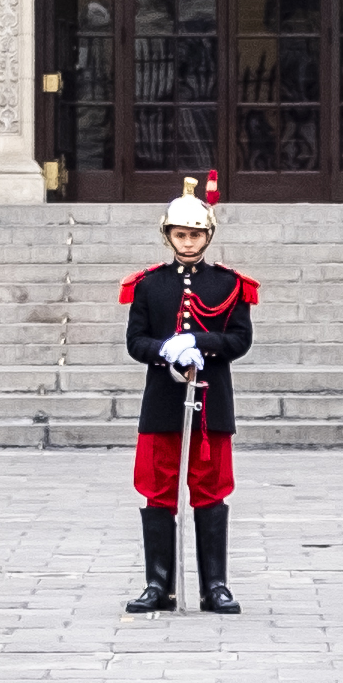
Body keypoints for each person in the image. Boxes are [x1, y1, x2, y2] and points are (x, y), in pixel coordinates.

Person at [115, 173, 259, 616]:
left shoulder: (229, 284)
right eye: (181, 234)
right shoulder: (148, 284)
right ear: (168, 235)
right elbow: (135, 342)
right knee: (157, 490)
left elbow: (240, 340)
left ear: (208, 236)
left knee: (211, 490)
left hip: (210, 405)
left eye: (196, 234)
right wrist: (165, 350)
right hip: (163, 401)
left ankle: (214, 586)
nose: (188, 242)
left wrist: (200, 342)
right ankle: (158, 584)